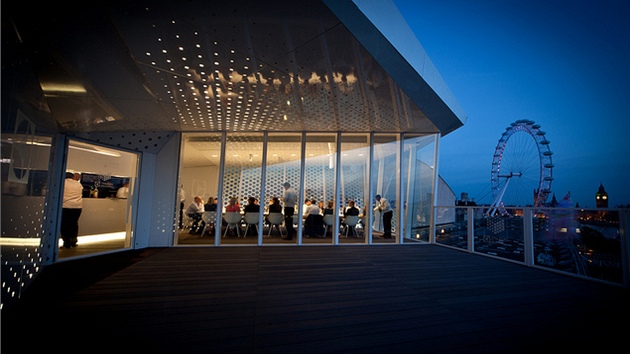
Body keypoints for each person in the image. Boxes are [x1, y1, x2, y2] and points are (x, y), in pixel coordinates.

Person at [61, 172, 83, 248]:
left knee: (64, 225)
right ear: (72, 177)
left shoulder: (63, 183)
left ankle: (66, 243)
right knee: (74, 224)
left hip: (65, 206)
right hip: (77, 207)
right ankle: (73, 242)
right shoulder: (78, 184)